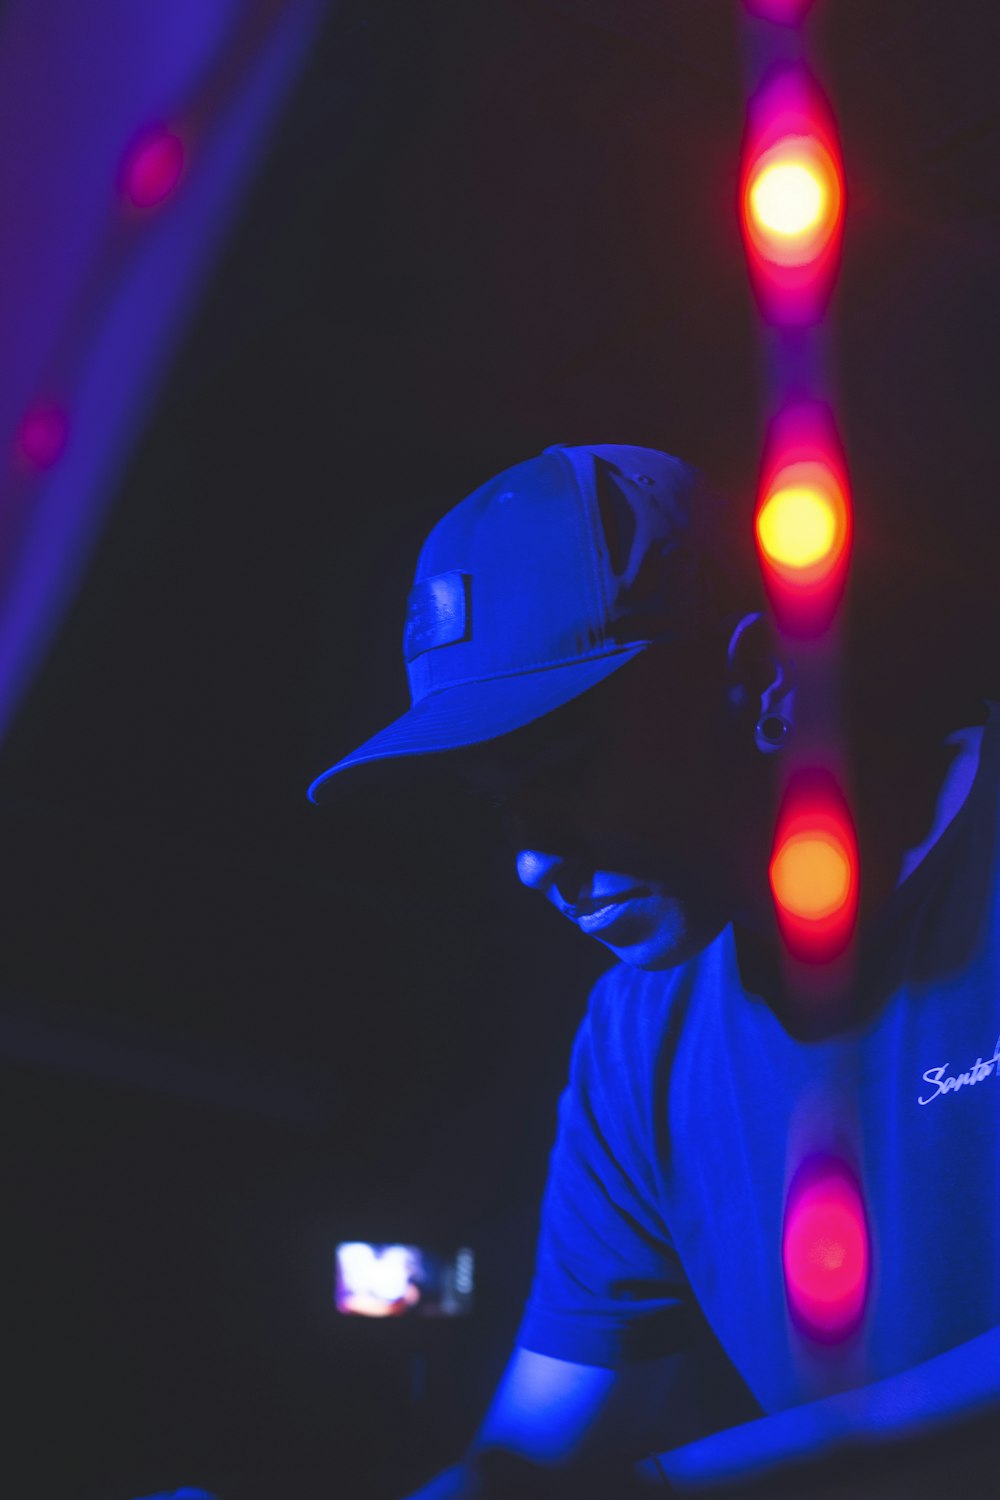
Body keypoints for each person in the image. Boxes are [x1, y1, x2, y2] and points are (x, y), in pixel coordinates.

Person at [308, 444, 1000, 1497]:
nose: (531, 860)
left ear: (762, 678)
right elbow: (532, 1466)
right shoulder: (640, 1036)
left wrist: (664, 1490)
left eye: (560, 773)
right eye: (499, 804)